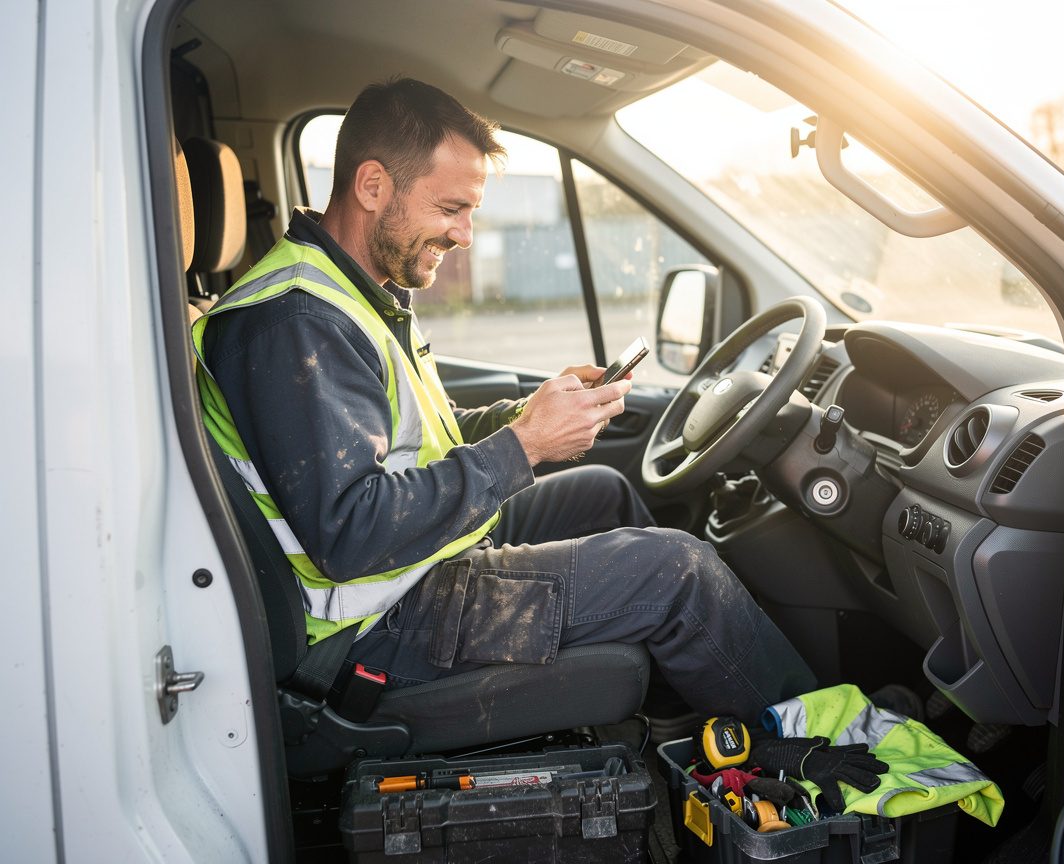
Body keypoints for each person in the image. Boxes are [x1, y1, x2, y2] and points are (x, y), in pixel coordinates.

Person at [193, 77, 815, 724]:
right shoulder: (294, 325)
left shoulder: (351, 293)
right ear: (373, 186)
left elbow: (418, 437)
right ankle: (823, 749)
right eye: (450, 208)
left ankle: (670, 725)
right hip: (380, 621)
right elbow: (350, 535)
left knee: (601, 489)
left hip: (414, 564)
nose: (464, 234)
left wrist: (530, 414)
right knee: (678, 570)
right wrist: (527, 446)